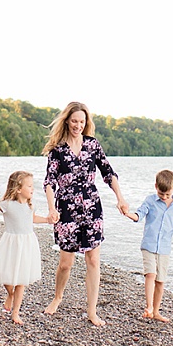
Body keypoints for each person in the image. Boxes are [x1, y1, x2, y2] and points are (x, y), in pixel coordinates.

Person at [42, 102, 129, 326]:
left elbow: (108, 172)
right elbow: (49, 182)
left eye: (82, 122)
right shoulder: (57, 149)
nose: (78, 125)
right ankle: (58, 297)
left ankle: (91, 311)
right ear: (67, 121)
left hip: (92, 207)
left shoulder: (92, 145)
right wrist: (51, 208)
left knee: (93, 260)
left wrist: (120, 198)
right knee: (66, 263)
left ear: (86, 123)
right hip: (66, 209)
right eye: (74, 121)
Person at [0, 170, 51, 325]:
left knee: (21, 279)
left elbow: (33, 219)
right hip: (11, 244)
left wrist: (48, 220)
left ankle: (16, 312)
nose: (32, 189)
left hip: (27, 244)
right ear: (18, 189)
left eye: (32, 186)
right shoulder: (7, 205)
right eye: (29, 186)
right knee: (6, 275)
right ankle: (11, 294)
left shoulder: (30, 206)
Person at [123, 169, 173, 322]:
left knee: (160, 281)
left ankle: (155, 311)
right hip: (148, 245)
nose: (164, 197)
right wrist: (129, 214)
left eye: (167, 194)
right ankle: (148, 307)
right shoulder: (150, 201)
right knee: (150, 274)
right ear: (156, 187)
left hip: (164, 249)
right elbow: (139, 215)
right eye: (161, 194)